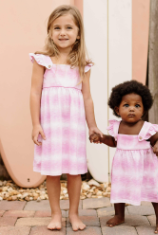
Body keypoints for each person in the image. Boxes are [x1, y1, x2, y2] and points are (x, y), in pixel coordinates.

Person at [29, 5, 102, 231]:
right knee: (52, 172)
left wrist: (93, 126)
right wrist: (35, 124)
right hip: (50, 126)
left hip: (73, 126)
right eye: (57, 27)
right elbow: (34, 93)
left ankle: (73, 214)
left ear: (78, 33)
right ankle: (54, 215)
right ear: (50, 32)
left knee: (74, 172)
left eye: (69, 27)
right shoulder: (42, 60)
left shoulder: (82, 64)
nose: (63, 32)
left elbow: (87, 97)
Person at [90, 80, 158, 233]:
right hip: (123, 167)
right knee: (119, 189)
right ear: (117, 110)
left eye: (137, 105)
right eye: (127, 105)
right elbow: (113, 142)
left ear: (143, 109)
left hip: (145, 167)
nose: (132, 109)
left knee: (154, 191)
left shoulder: (146, 128)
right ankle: (119, 215)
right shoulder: (117, 127)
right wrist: (102, 138)